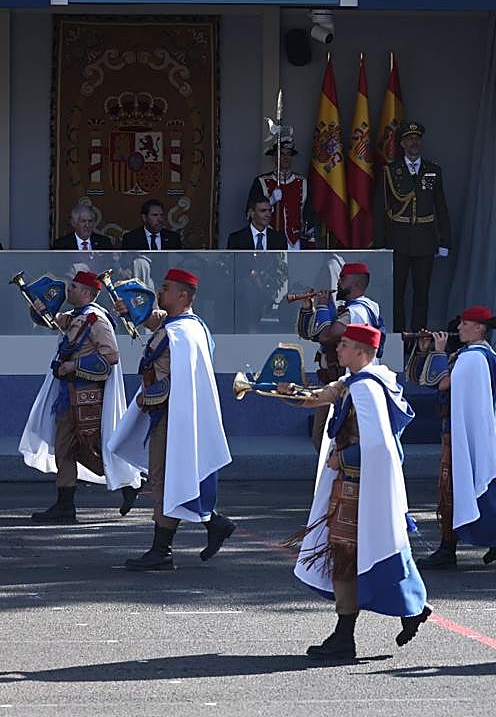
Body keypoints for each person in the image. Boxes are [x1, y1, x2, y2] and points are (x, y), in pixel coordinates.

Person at [286, 323, 432, 661]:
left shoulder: (366, 387)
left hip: (355, 483)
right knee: (375, 547)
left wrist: (342, 457)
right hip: (353, 483)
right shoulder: (361, 381)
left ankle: (344, 637)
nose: (339, 349)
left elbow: (378, 445)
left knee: (346, 557)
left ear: (363, 352)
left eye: (346, 345)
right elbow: (323, 396)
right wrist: (276, 390)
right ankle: (411, 607)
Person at [111, 268, 236, 571]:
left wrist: (148, 398)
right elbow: (151, 318)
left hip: (172, 416)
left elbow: (178, 382)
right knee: (171, 478)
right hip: (166, 414)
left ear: (182, 295)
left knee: (166, 480)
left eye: (165, 288)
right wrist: (130, 305)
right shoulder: (178, 325)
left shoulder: (184, 332)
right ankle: (212, 524)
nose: (159, 293)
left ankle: (163, 550)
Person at [408, 306, 496, 570]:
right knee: (475, 483)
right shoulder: (474, 355)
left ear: (479, 328)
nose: (459, 328)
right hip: (465, 426)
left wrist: (438, 351)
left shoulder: (473, 358)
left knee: (454, 487)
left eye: (465, 324)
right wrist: (427, 349)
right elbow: (425, 378)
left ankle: (448, 549)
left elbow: (441, 383)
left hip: (462, 429)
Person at [19, 271, 141, 522]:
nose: (68, 290)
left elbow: (111, 356)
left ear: (86, 292)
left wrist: (74, 366)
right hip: (68, 394)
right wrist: (38, 306)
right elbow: (52, 321)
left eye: (73, 287)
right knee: (68, 448)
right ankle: (70, 503)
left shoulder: (96, 320)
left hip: (85, 396)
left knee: (84, 448)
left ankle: (125, 484)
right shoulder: (77, 316)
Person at [297, 262, 386, 451]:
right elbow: (314, 335)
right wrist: (308, 308)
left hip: (349, 382)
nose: (338, 284)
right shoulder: (351, 308)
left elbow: (326, 335)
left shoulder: (357, 311)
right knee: (322, 438)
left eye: (342, 279)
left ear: (355, 284)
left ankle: (343, 475)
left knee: (334, 438)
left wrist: (322, 306)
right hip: (336, 380)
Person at [382, 121, 452, 333]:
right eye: (409, 139)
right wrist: (383, 243)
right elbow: (383, 208)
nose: (414, 143)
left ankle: (418, 337)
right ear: (402, 143)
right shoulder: (391, 171)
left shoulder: (433, 170)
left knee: (422, 293)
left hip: (425, 240)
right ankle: (398, 335)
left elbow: (441, 207)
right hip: (398, 240)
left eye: (417, 139)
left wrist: (445, 241)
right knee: (397, 293)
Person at [246, 137, 315, 251]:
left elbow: (308, 215)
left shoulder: (302, 182)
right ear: (274, 157)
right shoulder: (262, 181)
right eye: (281, 154)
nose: (285, 157)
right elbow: (249, 214)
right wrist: (270, 201)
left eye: (288, 154)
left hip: (295, 242)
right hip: (269, 239)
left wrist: (310, 242)